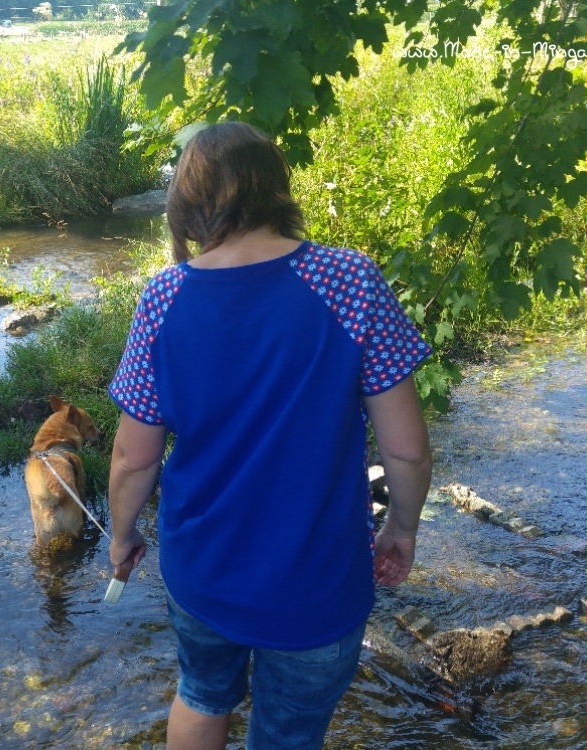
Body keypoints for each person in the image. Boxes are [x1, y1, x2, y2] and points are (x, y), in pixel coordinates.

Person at [106, 121, 433, 750]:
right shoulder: (351, 282)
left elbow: (131, 458)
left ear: (185, 204)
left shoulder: (163, 298)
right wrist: (401, 528)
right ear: (276, 189)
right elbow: (407, 449)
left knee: (201, 693)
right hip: (319, 578)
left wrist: (123, 535)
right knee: (287, 733)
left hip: (201, 567)